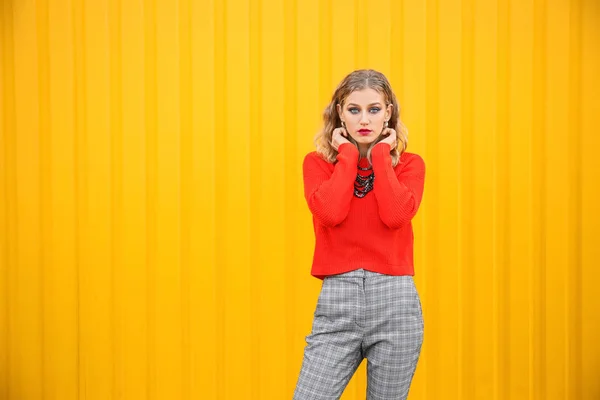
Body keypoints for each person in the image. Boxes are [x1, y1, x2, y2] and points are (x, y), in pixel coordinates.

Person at [293, 69, 426, 400]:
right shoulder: (318, 164)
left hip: (395, 302)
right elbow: (330, 213)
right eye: (354, 109)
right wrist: (349, 156)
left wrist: (380, 155)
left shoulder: (409, 165)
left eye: (374, 109)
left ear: (388, 113)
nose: (364, 119)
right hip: (339, 301)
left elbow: (395, 216)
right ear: (340, 113)